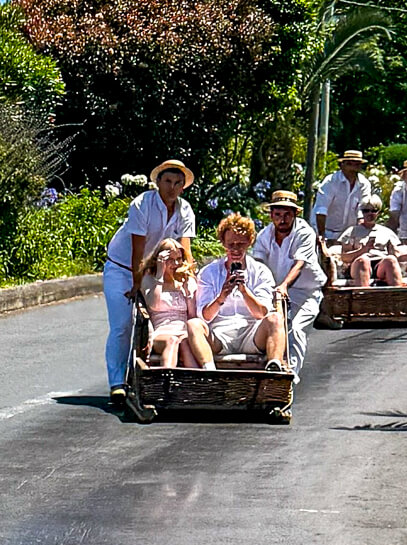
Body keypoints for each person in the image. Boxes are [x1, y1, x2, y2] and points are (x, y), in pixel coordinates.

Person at [103, 160, 197, 403]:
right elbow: (138, 250)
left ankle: (153, 377)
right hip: (123, 268)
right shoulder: (142, 204)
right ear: (157, 182)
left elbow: (185, 251)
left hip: (153, 270)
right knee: (123, 324)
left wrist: (188, 281)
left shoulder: (185, 210)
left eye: (178, 183)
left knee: (156, 321)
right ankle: (117, 383)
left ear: (183, 187)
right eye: (167, 181)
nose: (172, 188)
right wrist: (136, 285)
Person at [196, 213, 288, 370]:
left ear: (249, 243)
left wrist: (244, 291)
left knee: (275, 318)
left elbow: (261, 313)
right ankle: (208, 371)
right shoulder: (208, 272)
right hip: (219, 334)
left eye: (241, 244)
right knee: (194, 325)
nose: (235, 249)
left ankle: (275, 366)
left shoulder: (261, 272)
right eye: (231, 244)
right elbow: (205, 316)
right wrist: (222, 296)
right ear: (223, 243)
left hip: (251, 333)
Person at [251, 189, 326, 379]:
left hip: (304, 291)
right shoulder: (264, 235)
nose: (282, 220)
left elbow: (299, 264)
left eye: (287, 215)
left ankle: (289, 378)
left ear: (295, 215)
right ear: (271, 215)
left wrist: (284, 285)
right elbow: (258, 265)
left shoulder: (304, 232)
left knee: (296, 331)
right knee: (265, 329)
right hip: (273, 290)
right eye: (278, 215)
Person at [140, 237, 214, 370]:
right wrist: (160, 275)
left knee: (185, 342)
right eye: (170, 260)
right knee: (172, 340)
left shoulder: (186, 280)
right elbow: (154, 305)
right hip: (162, 331)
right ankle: (167, 377)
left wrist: (188, 293)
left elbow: (192, 316)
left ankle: (198, 383)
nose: (175, 264)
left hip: (183, 330)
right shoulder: (150, 279)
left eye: (178, 259)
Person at [335, 197, 405, 286]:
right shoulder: (352, 231)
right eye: (366, 211)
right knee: (363, 261)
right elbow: (344, 257)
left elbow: (396, 255)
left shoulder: (386, 232)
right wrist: (362, 251)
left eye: (373, 211)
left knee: (391, 260)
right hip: (358, 265)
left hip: (380, 265)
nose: (369, 214)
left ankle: (399, 297)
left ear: (378, 212)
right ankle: (363, 297)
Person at [313, 149, 372, 243]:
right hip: (327, 232)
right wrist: (322, 237)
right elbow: (321, 211)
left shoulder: (364, 184)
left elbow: (364, 209)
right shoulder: (330, 182)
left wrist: (361, 230)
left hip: (349, 235)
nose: (352, 168)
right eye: (349, 164)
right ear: (342, 165)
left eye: (356, 165)